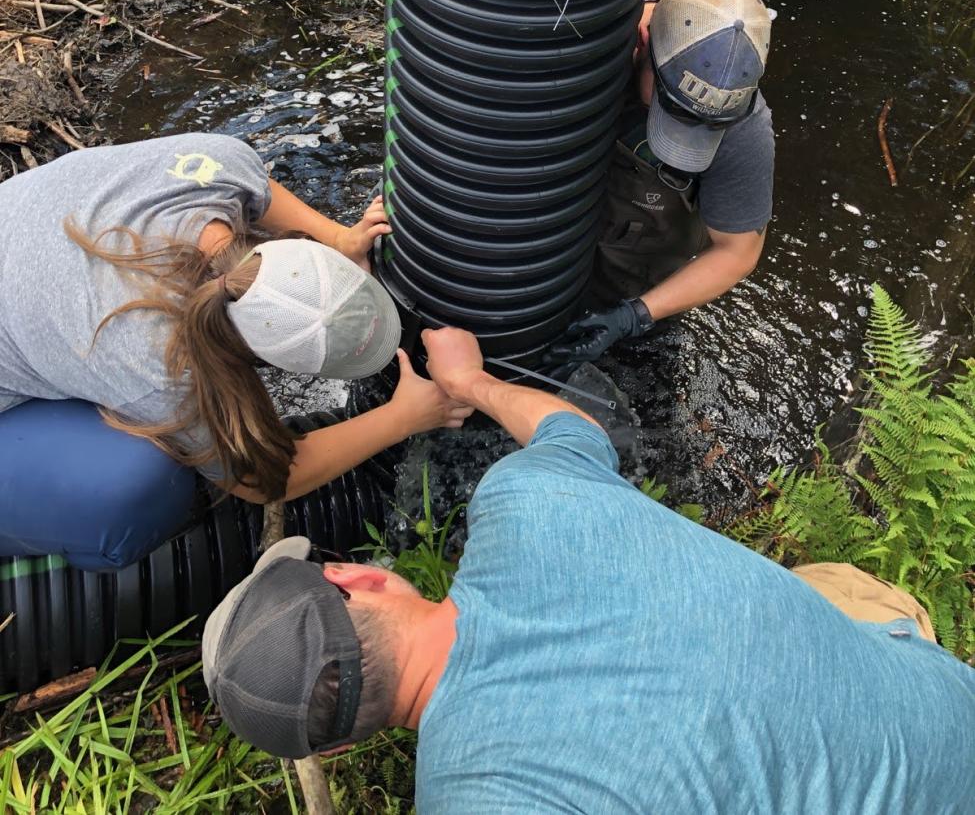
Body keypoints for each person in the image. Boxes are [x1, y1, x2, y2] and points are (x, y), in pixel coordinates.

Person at [203, 328, 975, 814]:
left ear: (337, 749)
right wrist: (469, 383)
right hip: (945, 711)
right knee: (830, 588)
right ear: (360, 580)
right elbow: (568, 429)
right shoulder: (529, 505)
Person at [0, 133, 471, 570]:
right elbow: (264, 480)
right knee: (140, 483)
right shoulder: (161, 366)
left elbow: (261, 193)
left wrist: (339, 238)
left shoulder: (219, 168)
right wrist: (405, 417)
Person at [546, 0, 775, 374]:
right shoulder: (576, 39)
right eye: (673, 110)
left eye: (707, 127)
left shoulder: (744, 127)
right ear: (643, 42)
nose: (689, 133)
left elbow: (738, 251)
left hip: (633, 280)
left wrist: (633, 317)